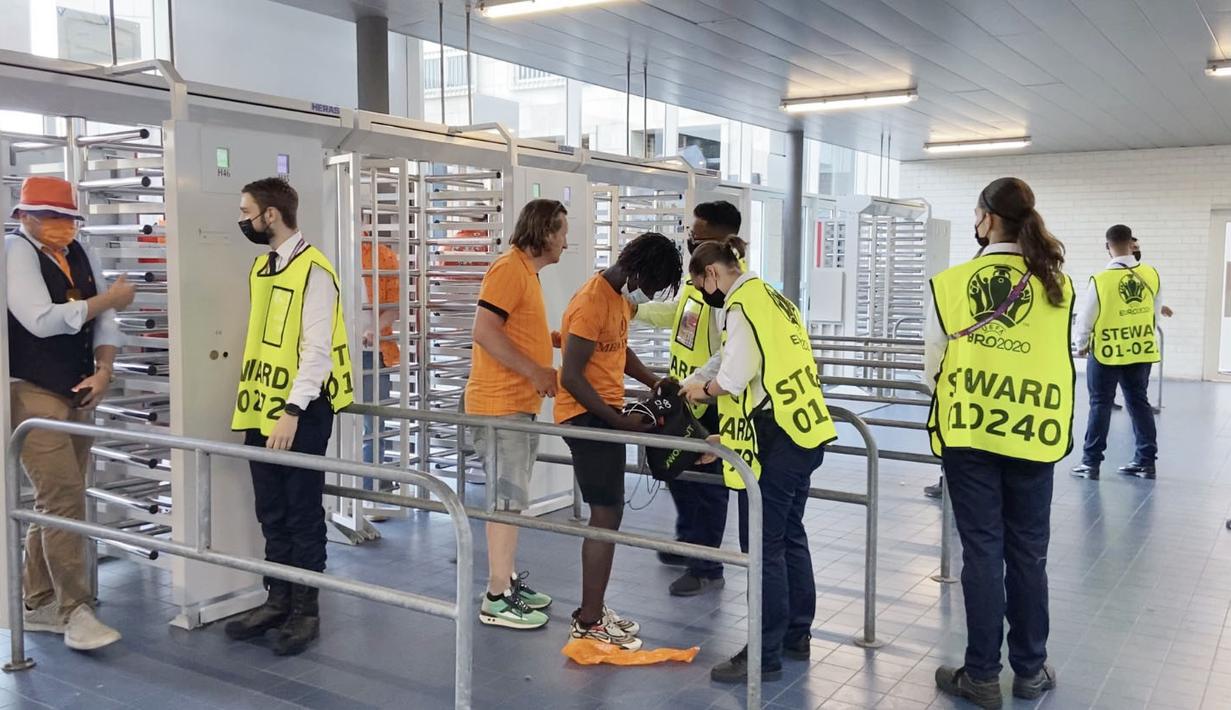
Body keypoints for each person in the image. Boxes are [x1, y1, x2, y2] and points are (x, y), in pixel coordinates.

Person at [923, 177, 1071, 708]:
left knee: (982, 552)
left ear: (986, 219)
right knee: (1029, 554)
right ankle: (1030, 670)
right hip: (1035, 434)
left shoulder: (951, 283)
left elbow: (932, 367)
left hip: (970, 437)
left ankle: (982, 675)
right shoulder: (1058, 284)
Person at [680, 237, 835, 684]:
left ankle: (763, 655)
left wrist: (703, 391)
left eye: (701, 284)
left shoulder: (739, 304)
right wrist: (694, 378)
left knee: (763, 545)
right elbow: (728, 357)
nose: (705, 296)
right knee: (789, 534)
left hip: (778, 437)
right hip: (807, 429)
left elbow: (734, 375)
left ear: (712, 273)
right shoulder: (771, 296)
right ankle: (795, 634)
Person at [225, 178, 354, 656]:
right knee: (271, 509)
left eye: (247, 211)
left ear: (271, 216)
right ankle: (276, 599)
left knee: (302, 511)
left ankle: (306, 611)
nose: (243, 220)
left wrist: (292, 410)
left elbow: (316, 352)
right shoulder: (263, 267)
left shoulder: (315, 271)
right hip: (262, 407)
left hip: (300, 412)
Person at [6, 176, 134, 650]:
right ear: (25, 216)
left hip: (81, 388)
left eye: (67, 218)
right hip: (31, 390)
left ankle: (37, 601)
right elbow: (40, 319)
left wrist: (104, 370)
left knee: (58, 497)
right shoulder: (14, 252)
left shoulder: (80, 252)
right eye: (51, 217)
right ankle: (75, 611)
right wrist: (108, 300)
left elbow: (106, 319)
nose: (62, 226)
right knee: (63, 498)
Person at [557, 231, 682, 650]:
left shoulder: (620, 299)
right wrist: (617, 421)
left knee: (610, 514)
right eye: (650, 287)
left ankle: (594, 610)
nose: (648, 296)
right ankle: (589, 619)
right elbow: (571, 375)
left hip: (604, 415)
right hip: (587, 417)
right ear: (636, 270)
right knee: (605, 516)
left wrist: (652, 380)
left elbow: (618, 350)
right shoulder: (591, 302)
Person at [634, 200, 747, 596]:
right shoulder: (698, 279)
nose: (689, 241)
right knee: (678, 474)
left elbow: (729, 355)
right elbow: (677, 315)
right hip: (684, 394)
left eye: (696, 236)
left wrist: (704, 385)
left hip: (713, 402)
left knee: (708, 486)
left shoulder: (731, 292)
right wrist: (637, 308)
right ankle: (688, 541)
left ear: (721, 240)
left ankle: (706, 566)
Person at [464, 199, 567, 631]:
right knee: (505, 503)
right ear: (545, 233)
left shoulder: (526, 273)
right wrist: (537, 370)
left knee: (513, 501)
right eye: (562, 231)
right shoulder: (509, 269)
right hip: (500, 404)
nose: (566, 240)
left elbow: (514, 329)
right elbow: (484, 332)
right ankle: (495, 596)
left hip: (517, 404)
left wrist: (554, 340)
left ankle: (506, 582)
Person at [1071, 225, 1163, 481]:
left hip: (1106, 352)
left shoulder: (1101, 280)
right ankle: (1146, 462)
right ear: (1131, 243)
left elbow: (1086, 318)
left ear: (1107, 246)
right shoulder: (1151, 274)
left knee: (1100, 404)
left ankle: (1091, 464)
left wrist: (1081, 344)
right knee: (1138, 402)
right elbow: (1154, 314)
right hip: (1140, 350)